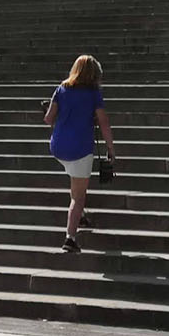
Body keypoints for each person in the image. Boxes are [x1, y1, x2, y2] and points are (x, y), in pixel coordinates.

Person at [43, 54, 115, 254]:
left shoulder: (62, 88)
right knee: (78, 196)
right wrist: (111, 148)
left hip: (58, 146)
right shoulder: (93, 93)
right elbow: (104, 122)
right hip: (80, 148)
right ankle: (70, 238)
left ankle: (80, 215)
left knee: (76, 180)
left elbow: (48, 119)